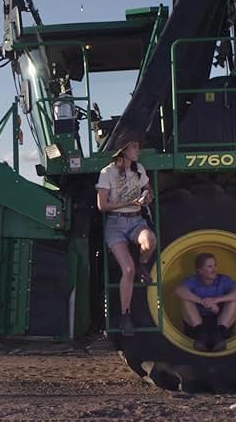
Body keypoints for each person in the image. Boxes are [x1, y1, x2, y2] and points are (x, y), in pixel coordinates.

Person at [95, 140, 157, 336]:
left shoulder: (139, 169)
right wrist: (130, 202)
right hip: (115, 224)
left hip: (136, 221)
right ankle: (125, 315)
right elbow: (102, 205)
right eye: (134, 147)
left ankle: (143, 264)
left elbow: (149, 191)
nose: (138, 150)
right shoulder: (107, 172)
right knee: (128, 269)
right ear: (123, 150)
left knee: (150, 241)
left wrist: (147, 197)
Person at [174, 253, 236, 351]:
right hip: (197, 326)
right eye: (210, 267)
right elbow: (179, 290)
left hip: (220, 324)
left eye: (215, 265)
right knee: (186, 300)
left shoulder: (223, 280)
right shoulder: (193, 280)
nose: (214, 269)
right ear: (200, 271)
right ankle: (201, 336)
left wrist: (215, 300)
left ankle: (219, 336)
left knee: (234, 300)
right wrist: (202, 302)